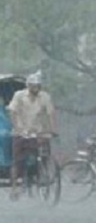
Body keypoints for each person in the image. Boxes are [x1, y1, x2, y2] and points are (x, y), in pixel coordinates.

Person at [7, 71, 57, 200]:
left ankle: (41, 175)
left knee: (43, 155)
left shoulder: (45, 97)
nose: (35, 88)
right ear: (28, 86)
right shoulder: (19, 95)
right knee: (17, 161)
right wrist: (18, 128)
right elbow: (12, 112)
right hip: (21, 132)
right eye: (33, 86)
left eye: (37, 86)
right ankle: (14, 188)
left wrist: (52, 129)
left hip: (37, 131)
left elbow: (50, 113)